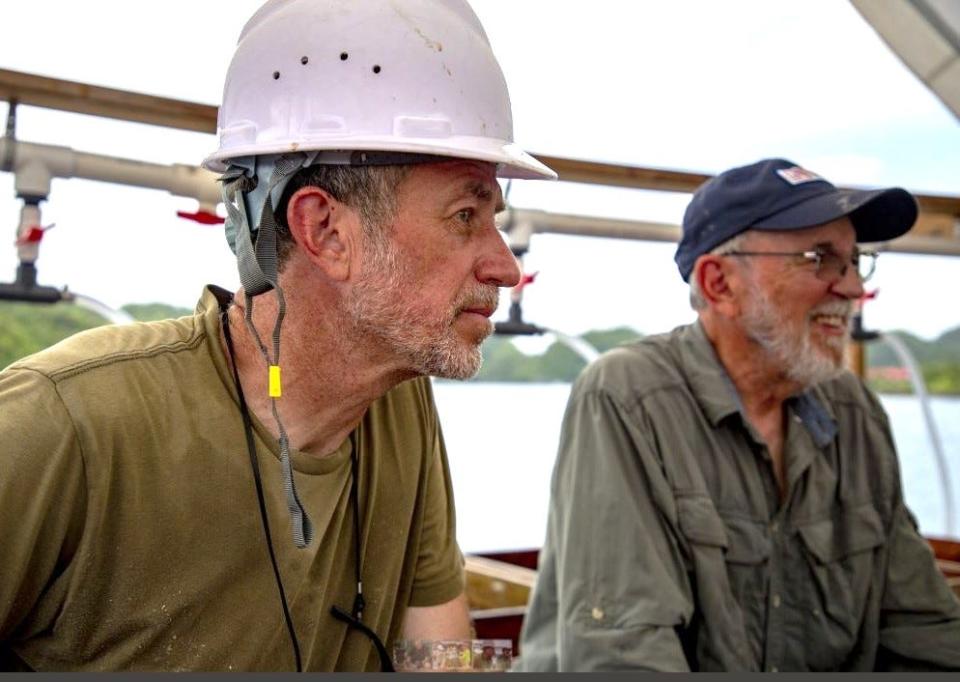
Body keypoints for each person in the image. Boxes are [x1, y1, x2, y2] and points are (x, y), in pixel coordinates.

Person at [0, 0, 555, 671]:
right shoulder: (64, 423)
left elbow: (440, 660)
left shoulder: (401, 409)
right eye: (467, 214)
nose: (504, 265)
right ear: (324, 230)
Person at [518, 158, 960, 671]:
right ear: (719, 284)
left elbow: (924, 633)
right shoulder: (629, 398)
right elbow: (622, 657)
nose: (853, 287)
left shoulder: (854, 411)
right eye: (820, 258)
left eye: (855, 260)